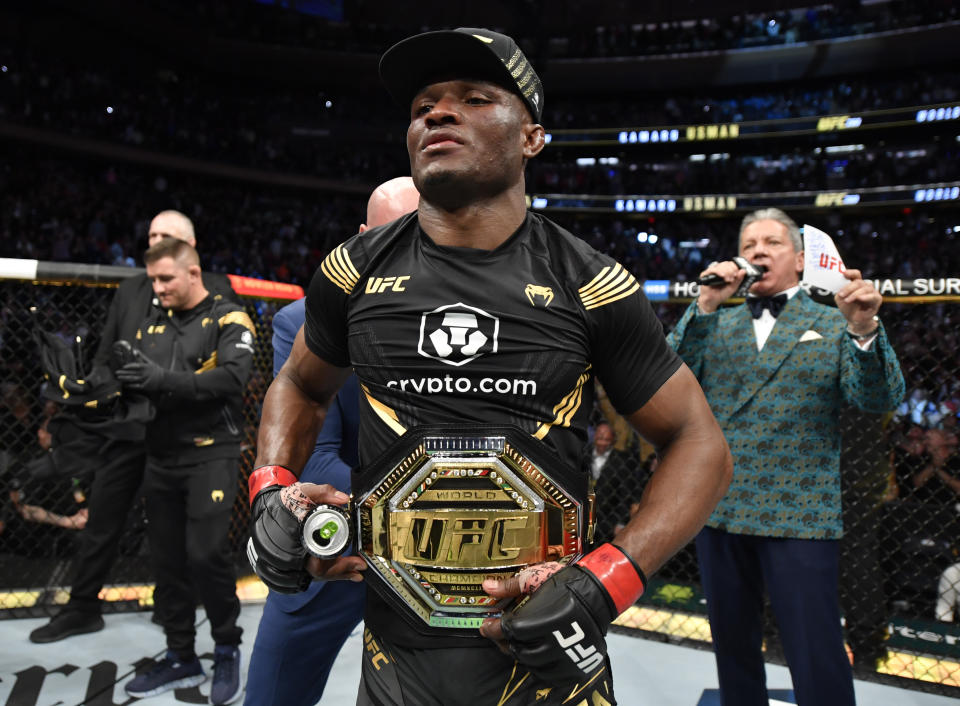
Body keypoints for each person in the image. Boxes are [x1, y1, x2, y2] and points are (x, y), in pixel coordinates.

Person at [246, 27, 732, 706]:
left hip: (544, 654)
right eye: (423, 105)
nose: (438, 113)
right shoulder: (352, 270)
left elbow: (700, 441)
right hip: (397, 658)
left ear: (532, 137)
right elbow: (299, 384)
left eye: (474, 98)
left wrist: (608, 578)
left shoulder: (591, 283)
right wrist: (271, 487)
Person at [667, 207, 905, 706]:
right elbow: (665, 384)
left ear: (800, 260)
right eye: (748, 242)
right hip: (721, 509)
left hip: (799, 514)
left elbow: (878, 399)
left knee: (814, 648)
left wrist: (864, 330)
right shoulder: (716, 321)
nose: (757, 249)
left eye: (772, 242)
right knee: (732, 645)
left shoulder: (835, 320)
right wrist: (705, 303)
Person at [243, 176, 419, 706]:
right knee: (272, 697)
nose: (403, 254)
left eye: (419, 237)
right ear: (362, 237)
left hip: (440, 556)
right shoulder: (303, 321)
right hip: (339, 538)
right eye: (390, 237)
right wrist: (423, 499)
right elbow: (313, 456)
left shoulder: (468, 325)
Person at [29, 210, 235, 644]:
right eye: (152, 235)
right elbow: (107, 356)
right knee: (103, 516)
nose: (155, 242)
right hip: (127, 425)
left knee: (175, 530)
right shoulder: (129, 290)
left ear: (190, 249)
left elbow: (207, 360)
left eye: (167, 236)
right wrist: (90, 389)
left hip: (179, 428)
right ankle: (83, 606)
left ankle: (172, 608)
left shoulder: (214, 288)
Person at [115, 238, 254, 704]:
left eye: (165, 278)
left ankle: (227, 647)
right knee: (167, 561)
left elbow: (234, 377)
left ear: (193, 274)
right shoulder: (152, 323)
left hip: (211, 452)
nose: (157, 288)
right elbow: (136, 386)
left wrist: (162, 382)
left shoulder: (227, 317)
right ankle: (181, 655)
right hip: (161, 454)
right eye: (153, 280)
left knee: (207, 555)